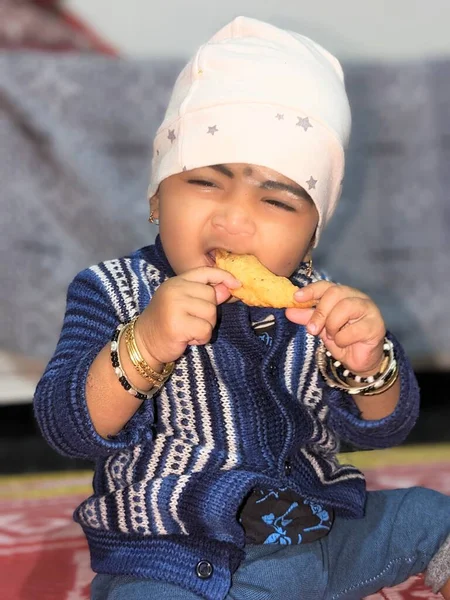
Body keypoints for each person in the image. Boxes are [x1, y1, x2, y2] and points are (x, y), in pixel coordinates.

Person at [34, 16, 450, 600]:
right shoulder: (113, 290)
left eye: (276, 200)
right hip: (176, 553)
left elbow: (388, 426)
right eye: (205, 182)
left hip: (318, 535)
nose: (234, 218)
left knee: (429, 515)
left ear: (312, 234)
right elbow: (66, 426)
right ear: (157, 194)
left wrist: (367, 366)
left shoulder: (317, 302)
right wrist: (146, 343)